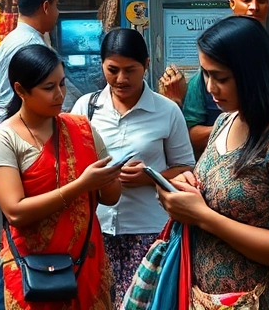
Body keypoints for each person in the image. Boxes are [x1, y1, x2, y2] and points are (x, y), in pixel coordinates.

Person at [149, 16, 269, 310]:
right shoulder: (225, 122)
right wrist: (186, 188)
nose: (210, 87)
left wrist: (202, 216)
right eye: (205, 74)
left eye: (221, 78)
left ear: (252, 73)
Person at [0, 44, 119, 310]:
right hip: (32, 270)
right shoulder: (4, 138)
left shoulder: (82, 129)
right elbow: (15, 212)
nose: (59, 94)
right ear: (20, 90)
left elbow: (111, 197)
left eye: (62, 84)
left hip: (85, 264)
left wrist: (109, 177)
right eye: (49, 88)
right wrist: (81, 185)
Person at [70, 28, 194, 302]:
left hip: (149, 230)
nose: (121, 79)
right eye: (112, 70)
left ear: (146, 65)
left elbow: (186, 168)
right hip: (97, 230)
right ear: (102, 65)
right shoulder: (85, 108)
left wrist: (150, 176)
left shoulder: (167, 110)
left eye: (130, 70)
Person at [161, 0, 269, 155]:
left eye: (261, 0)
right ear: (232, 4)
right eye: (246, 0)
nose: (253, 7)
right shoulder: (204, 77)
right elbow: (190, 135)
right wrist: (233, 125)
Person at [0, 0, 80, 120]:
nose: (57, 12)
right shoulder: (31, 44)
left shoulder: (13, 39)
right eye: (56, 6)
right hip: (25, 125)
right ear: (46, 7)